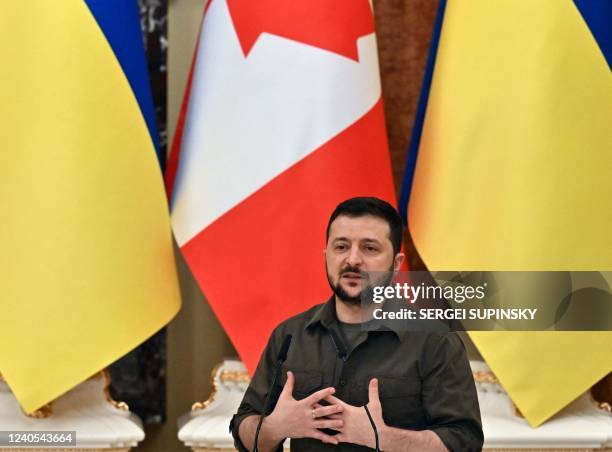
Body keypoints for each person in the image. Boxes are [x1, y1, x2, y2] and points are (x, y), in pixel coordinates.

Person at [230, 197, 483, 451]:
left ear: (396, 264)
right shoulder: (289, 335)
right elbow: (244, 430)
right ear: (326, 255)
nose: (353, 260)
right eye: (341, 247)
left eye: (369, 248)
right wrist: (274, 427)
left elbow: (464, 443)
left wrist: (382, 437)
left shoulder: (436, 341)